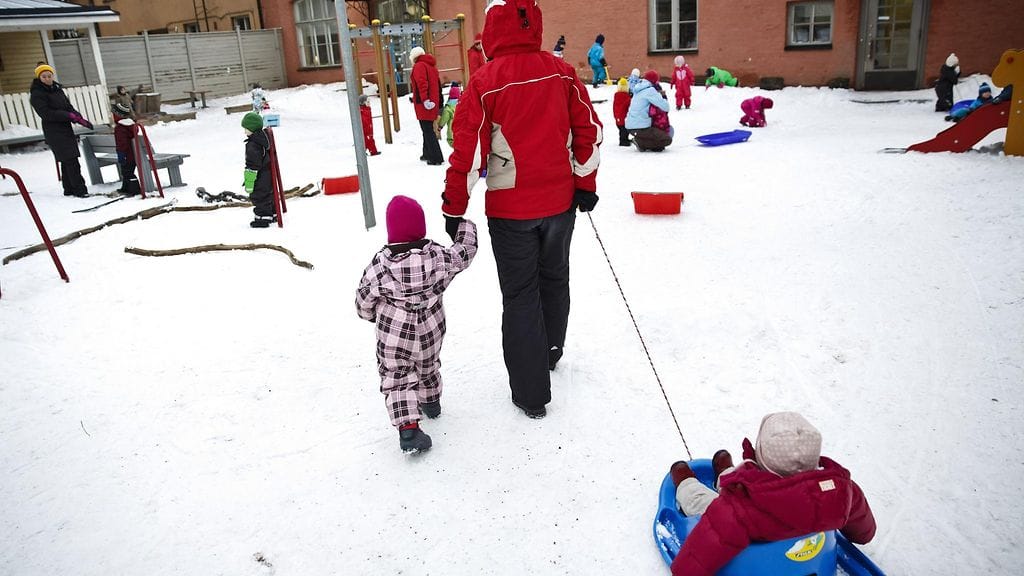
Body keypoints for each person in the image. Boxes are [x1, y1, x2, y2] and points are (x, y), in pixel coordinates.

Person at [441, 0, 602, 419]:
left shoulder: (484, 81)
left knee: (520, 295)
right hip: (559, 203)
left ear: (493, 32)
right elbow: (588, 130)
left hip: (512, 211)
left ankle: (532, 392)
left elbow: (466, 152)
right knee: (554, 277)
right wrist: (584, 183)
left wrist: (454, 206)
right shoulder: (561, 72)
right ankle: (550, 351)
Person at [669, 412, 877, 576]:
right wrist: (862, 534)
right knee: (737, 483)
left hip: (756, 549)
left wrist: (682, 570)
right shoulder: (840, 490)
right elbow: (863, 528)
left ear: (763, 462)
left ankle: (687, 484)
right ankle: (724, 475)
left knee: (703, 502)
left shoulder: (739, 509)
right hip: (806, 544)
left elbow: (708, 543)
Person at [355, 195, 478, 453]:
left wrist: (369, 315)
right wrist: (464, 226)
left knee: (397, 376)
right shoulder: (437, 257)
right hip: (431, 327)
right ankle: (431, 401)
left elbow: (363, 298)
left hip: (394, 333)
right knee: (428, 364)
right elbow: (463, 253)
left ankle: (409, 430)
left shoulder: (381, 265)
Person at [29, 63, 93, 197]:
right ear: (39, 78)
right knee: (71, 160)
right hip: (53, 131)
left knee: (66, 161)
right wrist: (68, 116)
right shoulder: (37, 94)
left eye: (49, 76)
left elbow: (67, 106)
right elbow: (46, 113)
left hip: (65, 129)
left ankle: (69, 190)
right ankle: (80, 190)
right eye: (44, 76)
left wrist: (77, 116)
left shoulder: (57, 90)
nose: (47, 78)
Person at [410, 46, 444, 165]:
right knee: (427, 128)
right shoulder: (431, 66)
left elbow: (421, 83)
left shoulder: (419, 66)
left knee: (427, 130)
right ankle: (427, 153)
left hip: (424, 103)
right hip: (432, 102)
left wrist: (425, 99)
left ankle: (436, 157)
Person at [240, 112, 275, 228]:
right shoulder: (262, 139)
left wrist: (249, 182)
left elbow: (252, 165)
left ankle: (263, 218)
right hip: (267, 174)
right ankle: (272, 213)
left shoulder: (253, 145)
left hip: (260, 176)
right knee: (267, 194)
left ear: (252, 129)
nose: (245, 131)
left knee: (259, 196)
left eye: (246, 129)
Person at [625, 70, 671, 151]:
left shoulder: (638, 88)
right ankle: (640, 142)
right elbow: (665, 107)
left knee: (659, 141)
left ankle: (646, 144)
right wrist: (663, 96)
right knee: (667, 139)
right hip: (641, 127)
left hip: (631, 126)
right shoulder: (650, 90)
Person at [111, 102, 141, 196]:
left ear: (118, 116)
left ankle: (134, 189)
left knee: (127, 172)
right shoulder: (131, 126)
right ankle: (126, 187)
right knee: (127, 172)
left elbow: (122, 143)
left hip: (126, 154)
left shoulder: (120, 128)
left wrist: (121, 153)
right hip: (134, 154)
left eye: (114, 114)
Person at [436, 82, 461, 147]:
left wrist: (439, 126)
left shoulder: (448, 108)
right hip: (461, 132)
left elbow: (444, 118)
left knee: (454, 144)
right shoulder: (461, 105)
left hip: (452, 133)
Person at [613, 77, 632, 146]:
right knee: (624, 131)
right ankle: (623, 142)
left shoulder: (616, 96)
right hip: (624, 118)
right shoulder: (626, 97)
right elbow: (629, 106)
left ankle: (624, 139)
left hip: (618, 117)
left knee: (621, 130)